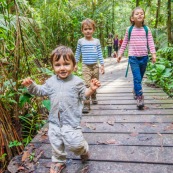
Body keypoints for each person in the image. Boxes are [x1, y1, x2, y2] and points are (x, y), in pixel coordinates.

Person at [22, 46, 101, 173]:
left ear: (74, 65)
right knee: (56, 143)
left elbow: (83, 94)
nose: (62, 68)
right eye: (57, 65)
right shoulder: (51, 82)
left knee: (76, 145)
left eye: (66, 64)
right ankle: (59, 161)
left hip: (71, 121)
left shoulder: (77, 82)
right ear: (53, 67)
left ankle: (84, 150)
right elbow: (40, 91)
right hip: (54, 121)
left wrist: (91, 89)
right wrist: (31, 85)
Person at [117, 7, 156, 109]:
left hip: (144, 57)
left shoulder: (147, 29)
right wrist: (120, 54)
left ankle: (135, 89)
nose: (139, 15)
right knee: (137, 78)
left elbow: (150, 42)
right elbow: (124, 42)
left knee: (140, 77)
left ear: (144, 17)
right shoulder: (129, 30)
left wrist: (153, 54)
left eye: (141, 13)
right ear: (132, 18)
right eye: (137, 14)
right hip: (133, 58)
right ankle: (140, 97)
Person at [75, 18, 105, 113]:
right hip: (85, 66)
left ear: (93, 30)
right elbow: (77, 53)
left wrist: (102, 65)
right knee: (87, 84)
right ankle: (86, 103)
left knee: (95, 82)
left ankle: (94, 95)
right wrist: (75, 64)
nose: (88, 31)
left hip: (95, 65)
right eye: (85, 29)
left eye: (90, 29)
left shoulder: (96, 41)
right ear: (82, 30)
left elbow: (100, 53)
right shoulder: (80, 41)